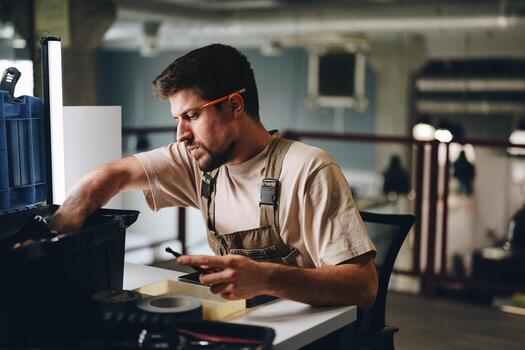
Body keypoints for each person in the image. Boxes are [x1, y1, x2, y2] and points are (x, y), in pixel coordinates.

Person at [51, 44, 377, 306]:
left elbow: (362, 285)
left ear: (234, 105)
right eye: (178, 119)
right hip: (239, 319)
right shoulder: (198, 162)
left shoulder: (309, 169)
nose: (181, 134)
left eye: (191, 116)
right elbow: (115, 173)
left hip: (308, 332)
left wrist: (266, 278)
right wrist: (60, 227)